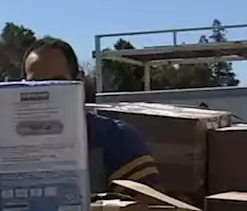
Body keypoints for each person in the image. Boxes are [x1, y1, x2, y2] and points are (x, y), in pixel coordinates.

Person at [22, 37, 161, 192]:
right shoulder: (8, 144)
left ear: (78, 81)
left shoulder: (117, 139)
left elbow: (146, 210)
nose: (47, 93)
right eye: (36, 85)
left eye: (58, 82)